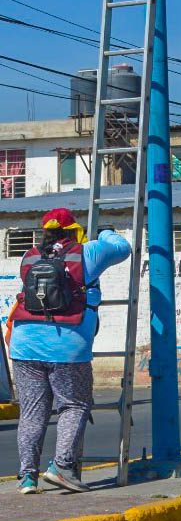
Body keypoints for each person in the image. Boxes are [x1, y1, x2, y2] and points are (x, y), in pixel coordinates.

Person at [10, 208, 131, 494]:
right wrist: (106, 231)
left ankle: (27, 477)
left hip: (24, 343)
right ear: (74, 229)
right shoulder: (88, 252)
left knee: (31, 412)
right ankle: (61, 466)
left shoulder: (30, 256)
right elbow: (123, 247)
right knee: (74, 405)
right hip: (68, 346)